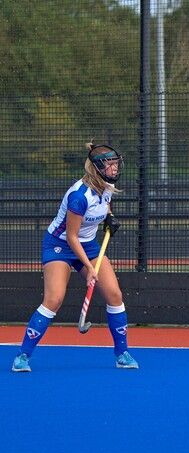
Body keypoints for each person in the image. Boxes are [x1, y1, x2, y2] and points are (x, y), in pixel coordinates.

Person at [11, 142, 138, 372]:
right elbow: (71, 236)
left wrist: (109, 217)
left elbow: (105, 203)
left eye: (116, 164)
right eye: (110, 165)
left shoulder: (106, 187)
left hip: (88, 245)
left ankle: (122, 354)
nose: (115, 169)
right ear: (98, 168)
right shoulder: (79, 196)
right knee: (54, 299)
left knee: (114, 294)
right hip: (60, 245)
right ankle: (23, 356)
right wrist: (89, 267)